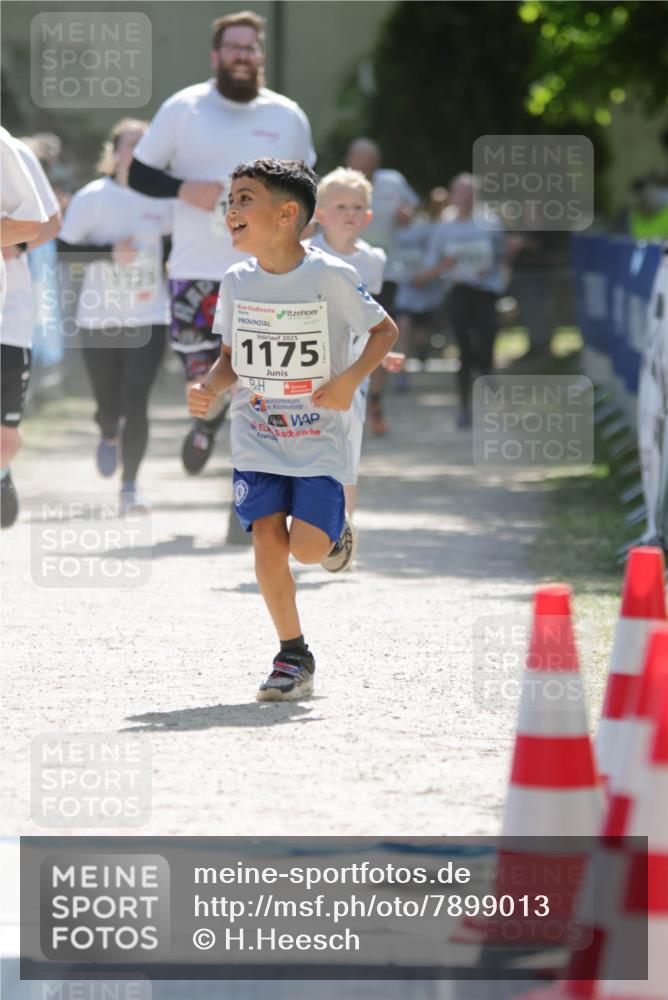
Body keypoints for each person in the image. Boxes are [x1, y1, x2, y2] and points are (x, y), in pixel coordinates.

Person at [189, 159, 398, 701]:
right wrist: (210, 386)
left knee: (306, 550)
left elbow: (384, 332)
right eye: (230, 200)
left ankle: (334, 533)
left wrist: (349, 381)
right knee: (266, 539)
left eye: (245, 199)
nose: (232, 210)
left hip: (317, 437)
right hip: (256, 433)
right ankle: (292, 653)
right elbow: (231, 358)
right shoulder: (237, 280)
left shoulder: (330, 275)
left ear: (286, 214)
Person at [129, 10, 315, 475]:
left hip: (265, 271)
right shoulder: (184, 108)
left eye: (250, 48)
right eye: (233, 47)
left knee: (261, 383)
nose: (241, 56)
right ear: (215, 56)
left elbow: (308, 184)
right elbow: (138, 173)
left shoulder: (286, 115)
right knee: (204, 384)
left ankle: (247, 489)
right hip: (196, 268)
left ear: (260, 56)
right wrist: (182, 189)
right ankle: (207, 425)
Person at [58, 119, 173, 514]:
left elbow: (180, 244)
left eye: (145, 145)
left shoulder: (164, 199)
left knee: (135, 399)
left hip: (149, 315)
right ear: (114, 152)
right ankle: (108, 432)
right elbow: (61, 251)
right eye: (130, 144)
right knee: (109, 405)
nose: (137, 152)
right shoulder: (93, 197)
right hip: (99, 317)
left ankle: (130, 486)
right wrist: (109, 253)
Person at [307, 166, 403, 516]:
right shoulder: (303, 255)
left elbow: (368, 316)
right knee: (304, 443)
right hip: (307, 363)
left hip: (352, 369)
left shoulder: (372, 260)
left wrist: (381, 352)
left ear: (369, 216)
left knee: (347, 447)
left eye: (357, 207)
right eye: (341, 207)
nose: (350, 213)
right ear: (319, 214)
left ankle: (343, 526)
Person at [413, 173, 506, 428]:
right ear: (453, 195)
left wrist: (498, 264)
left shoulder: (490, 222)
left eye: (470, 192)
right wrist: (431, 273)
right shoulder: (444, 226)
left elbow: (502, 253)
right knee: (465, 352)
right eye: (460, 192)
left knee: (485, 349)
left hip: (486, 293)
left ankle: (491, 404)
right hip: (458, 292)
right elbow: (433, 260)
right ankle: (464, 408)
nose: (465, 198)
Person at [1, 131, 58, 529]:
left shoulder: (11, 150)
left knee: (4, 440)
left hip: (8, 314)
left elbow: (49, 222)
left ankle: (2, 471)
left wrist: (16, 245)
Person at [345, 138, 418, 434]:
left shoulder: (393, 181)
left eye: (369, 162)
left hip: (385, 270)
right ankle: (347, 401)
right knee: (346, 338)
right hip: (345, 271)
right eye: (359, 161)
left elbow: (411, 209)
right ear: (349, 160)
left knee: (381, 337)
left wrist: (406, 214)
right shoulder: (337, 184)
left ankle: (374, 401)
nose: (364, 167)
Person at [393, 186, 450, 373]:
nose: (403, 212)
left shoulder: (424, 229)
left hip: (424, 290)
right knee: (403, 327)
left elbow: (438, 241)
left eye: (406, 207)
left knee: (420, 334)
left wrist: (427, 274)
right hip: (401, 291)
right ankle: (402, 372)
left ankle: (423, 352)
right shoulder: (388, 231)